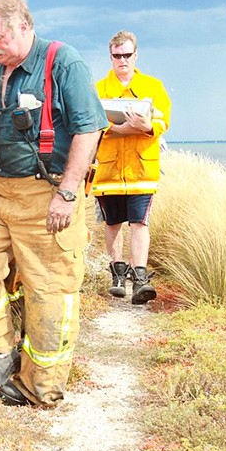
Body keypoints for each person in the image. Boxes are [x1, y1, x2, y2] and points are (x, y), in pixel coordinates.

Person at [0, 0, 108, 407]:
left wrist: (68, 194)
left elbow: (89, 129)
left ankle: (38, 387)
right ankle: (1, 350)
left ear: (24, 26)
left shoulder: (63, 62)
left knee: (49, 292)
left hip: (47, 195)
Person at [91, 30, 172, 304]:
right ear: (110, 57)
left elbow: (162, 121)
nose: (122, 60)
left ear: (135, 55)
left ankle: (139, 278)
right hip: (109, 172)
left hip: (141, 170)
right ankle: (117, 275)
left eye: (127, 54)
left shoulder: (153, 86)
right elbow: (91, 125)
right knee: (112, 223)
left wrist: (147, 126)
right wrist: (121, 129)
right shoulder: (99, 89)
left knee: (139, 223)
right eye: (117, 55)